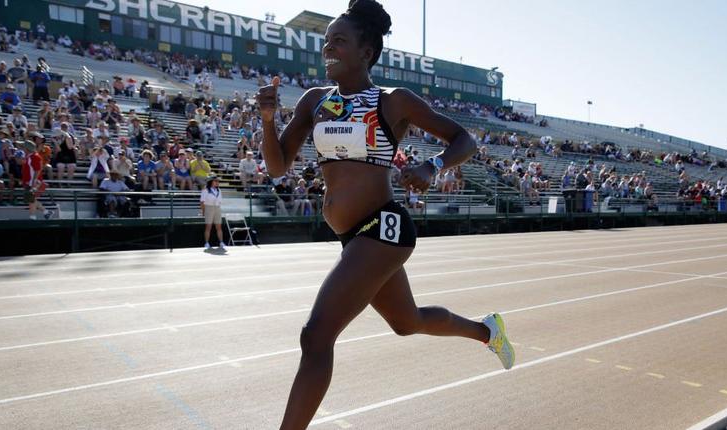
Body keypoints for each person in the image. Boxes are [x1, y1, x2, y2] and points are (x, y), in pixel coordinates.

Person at [255, 2, 514, 428]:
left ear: (367, 52)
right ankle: (488, 331)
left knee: (316, 335)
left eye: (339, 40)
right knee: (406, 322)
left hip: (384, 227)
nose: (328, 49)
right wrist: (267, 122)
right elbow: (278, 165)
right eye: (325, 42)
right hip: (353, 236)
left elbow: (464, 139)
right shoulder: (314, 102)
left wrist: (432, 166)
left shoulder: (392, 102)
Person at [19, 141, 53, 219]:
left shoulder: (35, 157)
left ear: (27, 148)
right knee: (31, 199)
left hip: (32, 182)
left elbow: (38, 170)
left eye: (23, 147)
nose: (22, 148)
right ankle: (46, 212)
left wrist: (33, 183)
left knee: (31, 200)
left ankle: (32, 217)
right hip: (29, 182)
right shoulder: (30, 156)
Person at [199, 176, 226, 250]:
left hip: (217, 208)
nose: (217, 183)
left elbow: (220, 201)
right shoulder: (205, 190)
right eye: (216, 181)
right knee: (208, 227)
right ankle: (207, 243)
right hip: (208, 207)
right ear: (211, 182)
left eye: (218, 181)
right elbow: (202, 202)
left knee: (219, 226)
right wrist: (203, 211)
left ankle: (221, 242)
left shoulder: (219, 190)